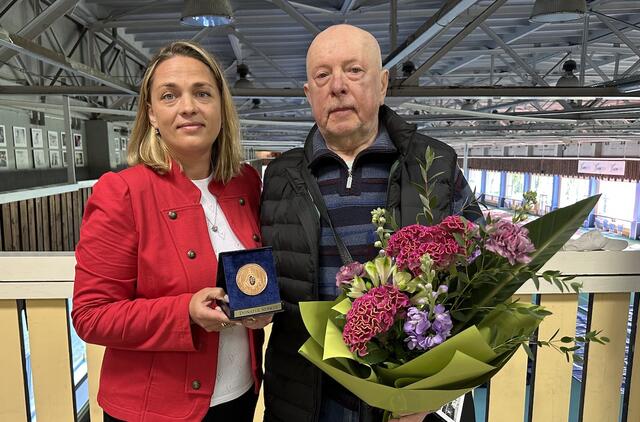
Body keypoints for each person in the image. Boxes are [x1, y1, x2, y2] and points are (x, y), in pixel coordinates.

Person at [260, 25, 482, 422]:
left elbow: (480, 279)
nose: (338, 86)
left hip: (409, 404)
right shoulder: (279, 177)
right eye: (322, 75)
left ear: (382, 85)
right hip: (307, 400)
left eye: (354, 70)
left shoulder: (434, 164)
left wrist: (431, 393)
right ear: (309, 94)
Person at [72, 41, 271, 422]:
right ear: (151, 113)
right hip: (153, 410)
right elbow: (91, 315)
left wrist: (260, 309)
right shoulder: (122, 192)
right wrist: (185, 313)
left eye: (202, 93)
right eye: (169, 95)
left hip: (240, 396)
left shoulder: (246, 182)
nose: (188, 107)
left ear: (221, 106)